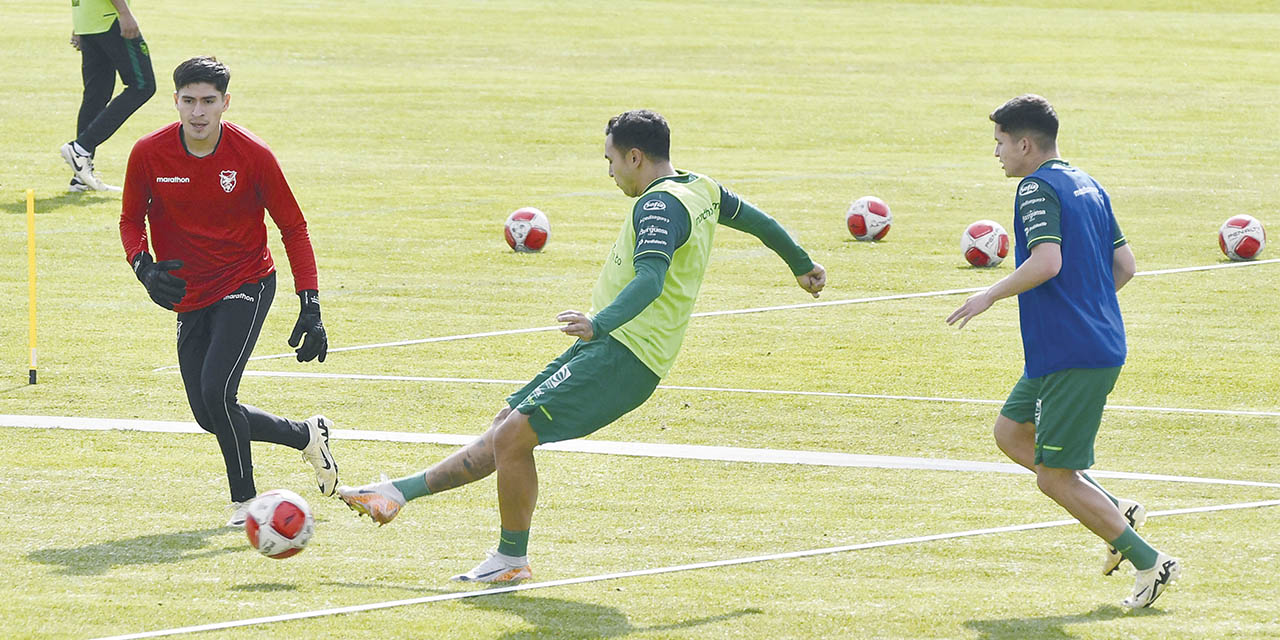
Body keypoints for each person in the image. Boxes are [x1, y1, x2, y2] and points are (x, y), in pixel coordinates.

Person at [338, 109, 827, 583]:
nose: (610, 172)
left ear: (635, 157)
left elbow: (650, 280)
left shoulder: (658, 205)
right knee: (506, 428)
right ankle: (395, 494)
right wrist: (801, 264)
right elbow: (759, 222)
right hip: (612, 348)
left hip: (625, 353)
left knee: (512, 438)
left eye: (611, 160)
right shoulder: (702, 188)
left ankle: (511, 558)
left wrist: (599, 321)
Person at [946, 94, 1179, 608]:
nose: (998, 153)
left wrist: (989, 293)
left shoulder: (1036, 188)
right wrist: (1087, 302)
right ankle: (1117, 508)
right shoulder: (1088, 183)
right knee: (1011, 433)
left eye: (1001, 143)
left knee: (1054, 478)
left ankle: (1148, 560)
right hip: (1078, 347)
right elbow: (1126, 266)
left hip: (1072, 352)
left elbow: (1046, 261)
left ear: (1025, 143)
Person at [119, 57, 337, 526]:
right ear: (175, 100)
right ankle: (305, 436)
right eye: (189, 101)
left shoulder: (252, 155)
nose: (198, 112)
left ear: (225, 103)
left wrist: (311, 303)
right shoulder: (148, 153)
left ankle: (248, 504)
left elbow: (293, 228)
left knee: (218, 390)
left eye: (208, 102)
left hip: (247, 280)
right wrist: (142, 265)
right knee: (208, 413)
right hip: (190, 294)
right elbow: (130, 220)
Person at [62, 0, 156, 192]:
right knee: (142, 86)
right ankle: (80, 148)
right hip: (109, 17)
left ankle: (81, 177)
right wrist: (124, 13)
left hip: (89, 21)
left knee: (96, 96)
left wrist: (80, 22)